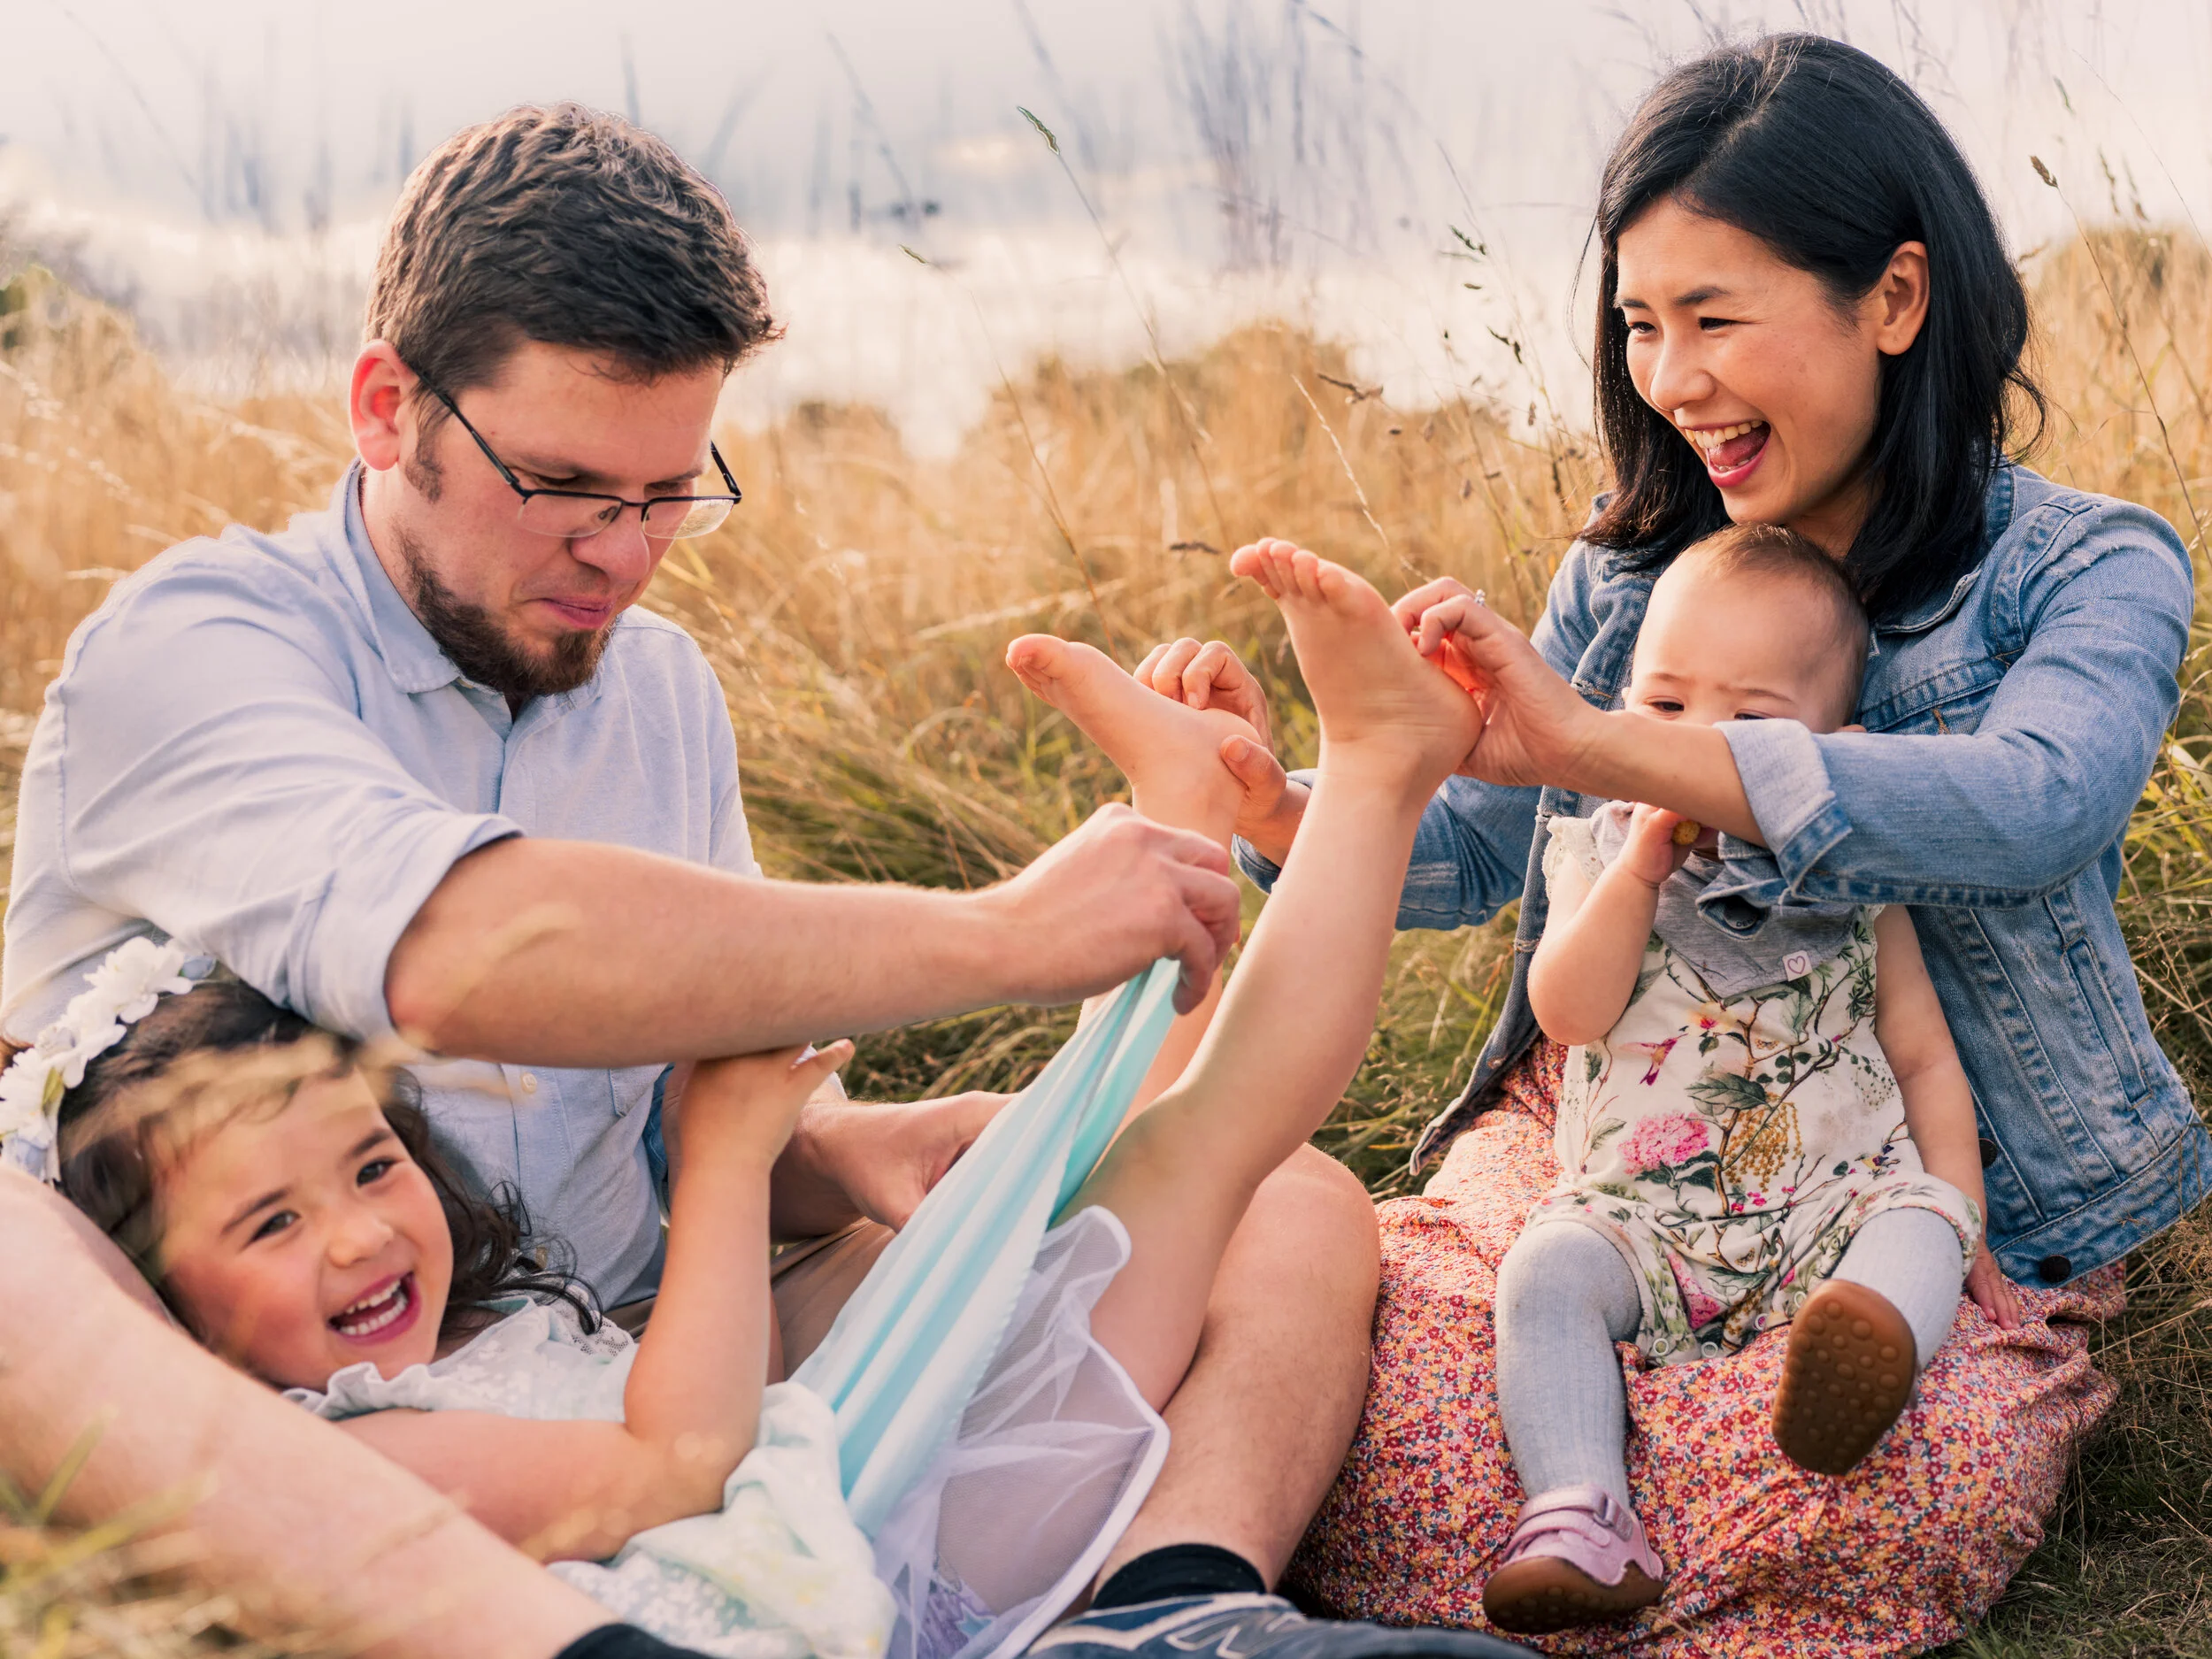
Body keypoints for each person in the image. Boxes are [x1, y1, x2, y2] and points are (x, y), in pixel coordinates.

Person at [0, 104, 1391, 1659]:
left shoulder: (654, 689)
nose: (626, 554)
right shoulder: (194, 649)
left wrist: (846, 1146)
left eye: (670, 492)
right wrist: (1008, 934)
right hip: (308, 1444)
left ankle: (1172, 1604)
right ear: (388, 410)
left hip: (654, 1346)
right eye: (565, 483)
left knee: (1285, 1200)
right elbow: (460, 949)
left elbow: (691, 1095)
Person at [1116, 34, 2205, 1651]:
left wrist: (1608, 744)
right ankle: (1568, 1538)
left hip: (1908, 1174)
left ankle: (1585, 1549)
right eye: (1640, 324)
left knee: (1912, 1476)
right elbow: (1476, 851)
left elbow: (2036, 800)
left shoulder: (2084, 569)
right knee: (1384, 1399)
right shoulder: (1627, 580)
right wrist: (1280, 795)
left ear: (1896, 299)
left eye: (1713, 317)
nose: (1670, 378)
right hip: (1612, 1137)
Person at [15, 550, 1532, 1659]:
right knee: (1204, 1145)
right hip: (856, 1542)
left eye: (367, 1165)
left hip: (843, 1473)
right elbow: (677, 1460)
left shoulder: (488, 1322)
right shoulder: (343, 1456)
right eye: (271, 1222)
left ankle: (1281, 803)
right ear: (161, 1297)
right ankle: (1353, 782)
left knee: (1188, 1148)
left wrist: (811, 1147)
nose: (358, 1235)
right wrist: (727, 1158)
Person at [1471, 524, 2016, 1633]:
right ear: (1620, 709)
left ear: (1837, 756)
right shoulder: (1596, 850)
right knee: (1542, 1275)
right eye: (1664, 707)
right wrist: (1635, 876)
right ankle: (1579, 1513)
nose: (1696, 746)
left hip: (1832, 1205)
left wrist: (1961, 1219)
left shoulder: (1856, 879)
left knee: (1916, 1224)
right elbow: (1568, 1014)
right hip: (1640, 1218)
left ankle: (1867, 1348)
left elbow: (1921, 1053)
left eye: (1751, 725)